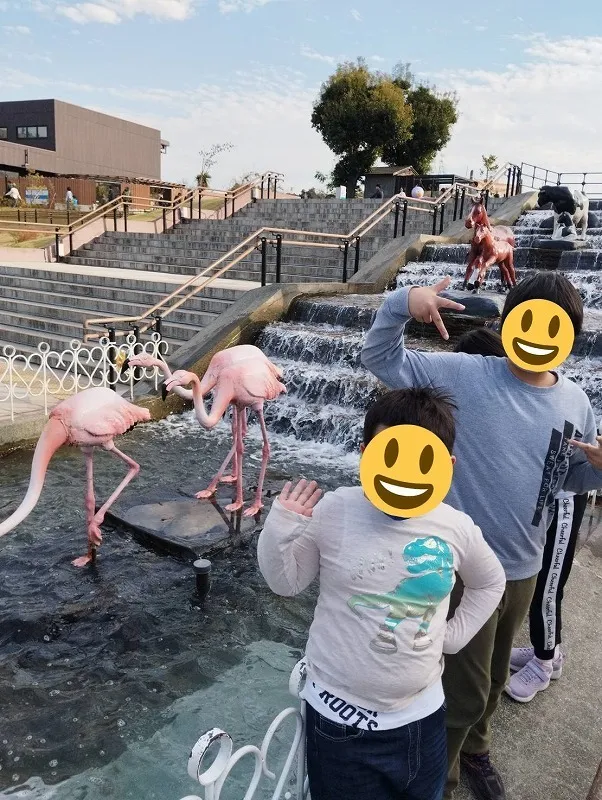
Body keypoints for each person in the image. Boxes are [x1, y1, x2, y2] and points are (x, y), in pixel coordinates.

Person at [361, 273, 602, 800]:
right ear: (507, 321)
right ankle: (438, 780)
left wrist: (600, 470)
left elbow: (565, 479)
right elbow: (381, 358)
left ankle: (476, 747)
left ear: (571, 334)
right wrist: (404, 302)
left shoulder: (576, 403)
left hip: (523, 565)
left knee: (492, 678)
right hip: (460, 567)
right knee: (462, 687)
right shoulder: (465, 374)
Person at [258, 388, 506, 800]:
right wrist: (279, 527)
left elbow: (489, 581)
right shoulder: (337, 510)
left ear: (447, 467)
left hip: (422, 720)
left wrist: (455, 634)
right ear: (365, 454)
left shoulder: (455, 526)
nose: (403, 475)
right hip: (338, 720)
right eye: (390, 455)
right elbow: (285, 583)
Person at [453, 327, 592, 704]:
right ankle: (545, 647)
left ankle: (547, 660)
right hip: (535, 506)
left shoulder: (562, 395)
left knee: (547, 586)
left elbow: (578, 467)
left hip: (561, 501)